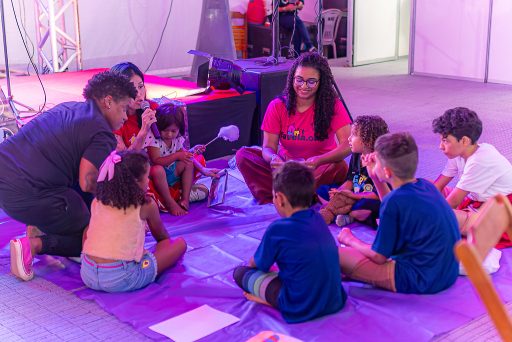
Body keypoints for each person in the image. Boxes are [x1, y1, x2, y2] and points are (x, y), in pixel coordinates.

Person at [1, 71, 137, 281]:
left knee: (79, 200)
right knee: (96, 235)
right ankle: (33, 245)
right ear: (108, 102)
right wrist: (115, 205)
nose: (126, 116)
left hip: (7, 181)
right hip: (27, 194)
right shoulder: (102, 132)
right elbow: (87, 181)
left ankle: (39, 224)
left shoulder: (67, 107)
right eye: (124, 108)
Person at [337, 133, 460, 294]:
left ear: (387, 172)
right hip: (448, 274)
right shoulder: (425, 185)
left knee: (336, 255)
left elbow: (378, 256)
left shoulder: (395, 201)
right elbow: (392, 203)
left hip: (422, 279)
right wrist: (374, 177)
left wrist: (350, 239)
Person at [233, 162, 346, 323]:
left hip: (299, 305)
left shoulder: (278, 228)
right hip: (334, 300)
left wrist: (252, 265)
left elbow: (256, 265)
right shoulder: (319, 219)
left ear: (279, 198)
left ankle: (270, 301)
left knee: (240, 273)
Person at [236, 52, 352, 204]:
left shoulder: (333, 106)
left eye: (311, 81)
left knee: (340, 166)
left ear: (321, 82)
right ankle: (299, 196)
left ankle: (286, 196)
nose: (304, 86)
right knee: (243, 156)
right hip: (285, 170)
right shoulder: (277, 106)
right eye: (299, 80)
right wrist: (273, 158)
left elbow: (347, 145)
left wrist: (318, 160)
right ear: (292, 79)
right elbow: (268, 147)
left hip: (317, 170)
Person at [81, 150, 187, 292]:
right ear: (136, 182)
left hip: (88, 275)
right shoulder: (146, 204)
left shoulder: (98, 200)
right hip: (122, 278)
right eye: (147, 177)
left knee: (89, 229)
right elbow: (162, 238)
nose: (149, 181)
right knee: (179, 244)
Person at [432, 107, 512, 245]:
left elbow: (453, 202)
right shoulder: (459, 154)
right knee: (423, 185)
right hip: (479, 203)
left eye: (445, 141)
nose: (440, 146)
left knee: (442, 216)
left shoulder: (480, 160)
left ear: (464, 141)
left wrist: (422, 213)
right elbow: (437, 186)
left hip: (503, 213)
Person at [145, 102, 220, 215]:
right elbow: (156, 160)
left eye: (173, 131)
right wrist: (177, 156)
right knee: (157, 169)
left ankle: (185, 198)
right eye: (165, 131)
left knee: (189, 162)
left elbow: (185, 155)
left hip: (172, 173)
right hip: (158, 177)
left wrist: (203, 169)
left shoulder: (177, 138)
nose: (169, 135)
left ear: (179, 129)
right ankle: (170, 202)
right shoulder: (154, 138)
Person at [319, 115, 389, 228]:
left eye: (353, 135)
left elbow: (379, 195)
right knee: (321, 191)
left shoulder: (381, 161)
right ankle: (342, 210)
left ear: (367, 140)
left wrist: (353, 196)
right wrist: (339, 192)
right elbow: (350, 180)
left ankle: (346, 213)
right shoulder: (356, 155)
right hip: (352, 195)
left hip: (366, 198)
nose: (349, 138)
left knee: (363, 207)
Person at [110, 62, 157, 152]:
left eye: (140, 86)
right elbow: (124, 160)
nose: (139, 94)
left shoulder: (152, 108)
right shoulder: (114, 121)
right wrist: (143, 131)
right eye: (132, 89)